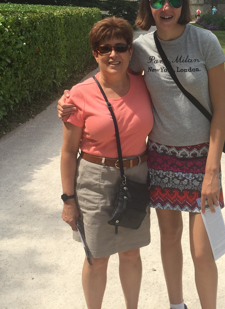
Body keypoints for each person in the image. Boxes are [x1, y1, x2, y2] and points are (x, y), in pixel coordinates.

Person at [59, 0, 225, 309]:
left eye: (174, 0)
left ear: (183, 3)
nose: (166, 8)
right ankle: (176, 305)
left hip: (202, 159)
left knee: (202, 250)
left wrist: (212, 171)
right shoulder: (140, 48)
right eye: (158, 1)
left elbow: (221, 110)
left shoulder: (205, 42)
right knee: (170, 238)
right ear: (148, 5)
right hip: (161, 157)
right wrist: (69, 99)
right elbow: (111, 73)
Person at [60, 17, 154, 309]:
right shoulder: (79, 94)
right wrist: (68, 200)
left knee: (131, 253)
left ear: (130, 52)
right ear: (95, 54)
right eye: (105, 48)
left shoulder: (145, 85)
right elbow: (68, 152)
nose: (113, 54)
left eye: (121, 47)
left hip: (136, 177)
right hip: (95, 180)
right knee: (97, 257)